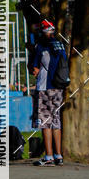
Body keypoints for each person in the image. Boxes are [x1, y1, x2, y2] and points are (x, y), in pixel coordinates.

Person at [32, 20, 67, 166]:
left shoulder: (40, 46)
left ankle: (49, 157)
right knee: (56, 121)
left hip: (44, 88)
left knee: (45, 123)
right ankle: (59, 155)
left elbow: (34, 70)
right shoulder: (61, 46)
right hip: (59, 88)